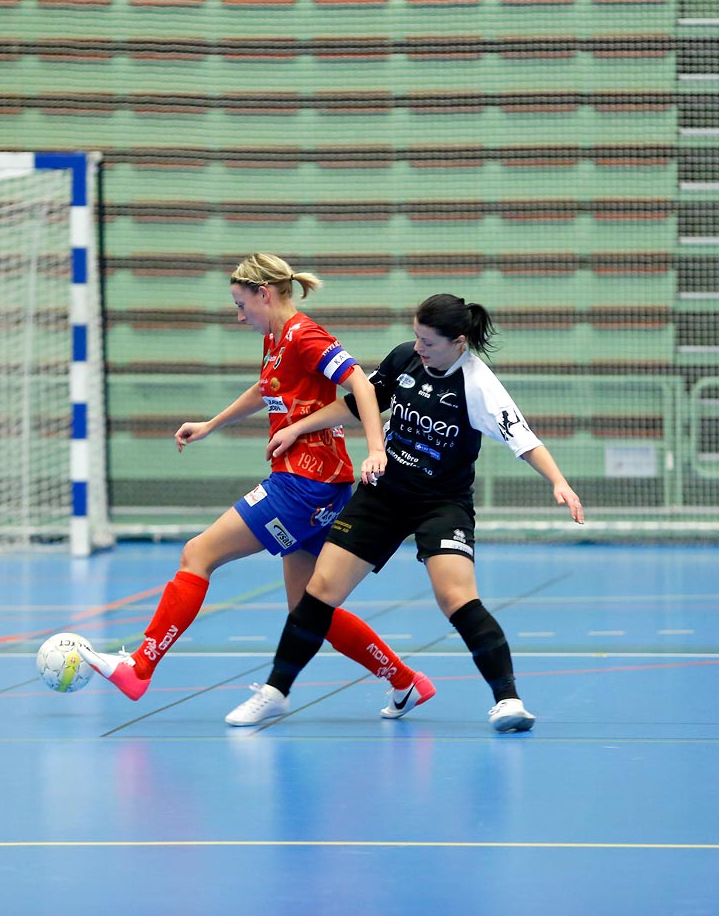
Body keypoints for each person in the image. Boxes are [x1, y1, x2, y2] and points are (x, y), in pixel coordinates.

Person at [88, 254, 436, 718]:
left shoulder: (305, 335)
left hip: (303, 483)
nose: (239, 315)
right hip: (321, 486)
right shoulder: (276, 337)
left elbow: (362, 385)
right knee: (308, 607)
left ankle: (140, 666)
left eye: (241, 304)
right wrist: (212, 423)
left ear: (264, 295)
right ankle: (405, 681)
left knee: (198, 554)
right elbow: (266, 386)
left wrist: (376, 449)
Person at [225, 293, 585, 732]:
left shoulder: (478, 384)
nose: (418, 347)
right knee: (319, 590)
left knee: (456, 597)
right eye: (415, 337)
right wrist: (298, 426)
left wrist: (559, 481)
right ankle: (275, 693)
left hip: (442, 504)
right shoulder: (403, 359)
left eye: (428, 342)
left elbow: (523, 439)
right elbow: (358, 404)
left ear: (459, 341)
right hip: (384, 494)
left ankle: (508, 701)